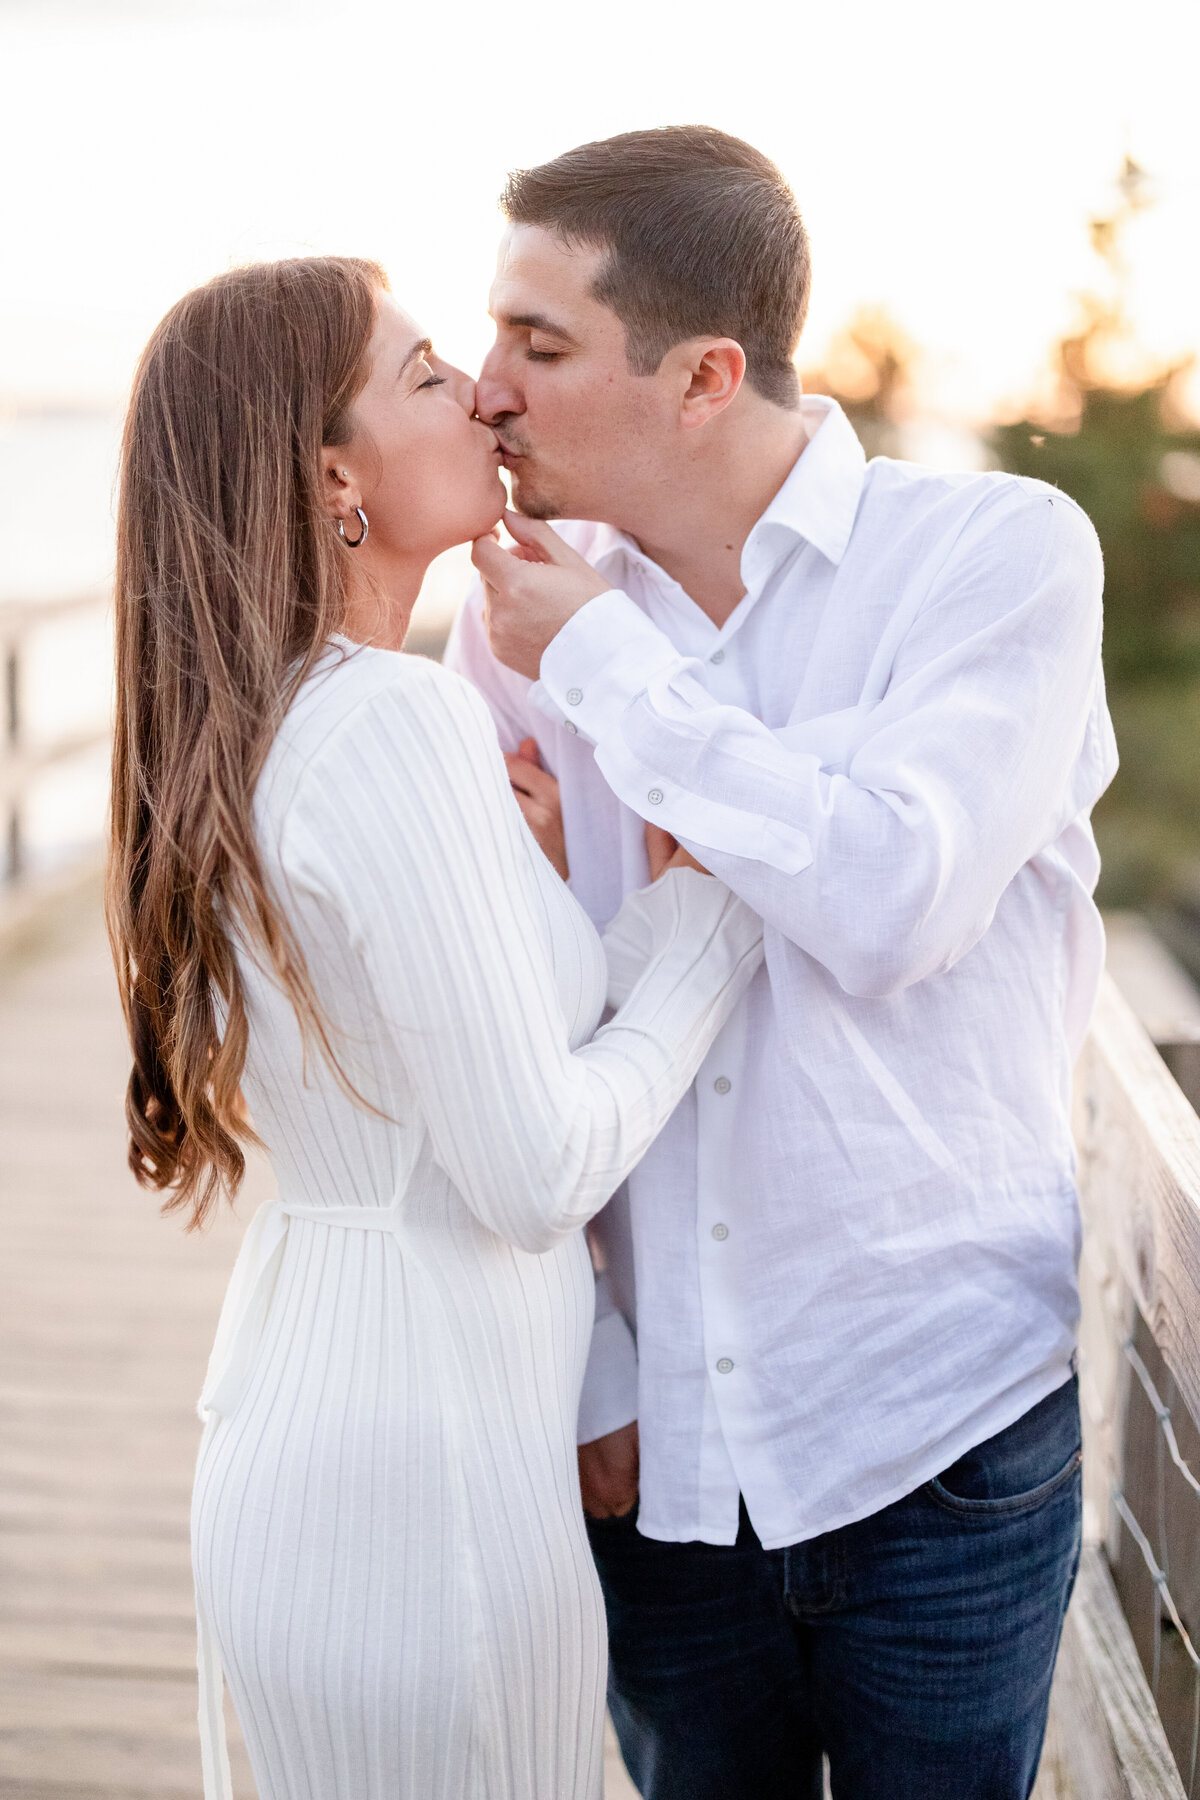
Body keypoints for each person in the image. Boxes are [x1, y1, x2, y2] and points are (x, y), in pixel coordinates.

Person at [447, 126, 1119, 1799]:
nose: (484, 391)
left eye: (540, 345)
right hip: (646, 1442)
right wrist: (592, 1367)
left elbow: (893, 895)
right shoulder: (510, 616)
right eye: (488, 341)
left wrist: (607, 671)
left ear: (704, 375)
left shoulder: (993, 561)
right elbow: (493, 1010)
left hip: (940, 1427)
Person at [106, 255, 764, 1800]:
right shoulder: (395, 723)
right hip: (429, 1482)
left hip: (326, 1419)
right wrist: (702, 926)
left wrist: (545, 911)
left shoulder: (271, 719)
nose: (476, 390)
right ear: (331, 473)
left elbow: (421, 1071)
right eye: (419, 377)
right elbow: (532, 1170)